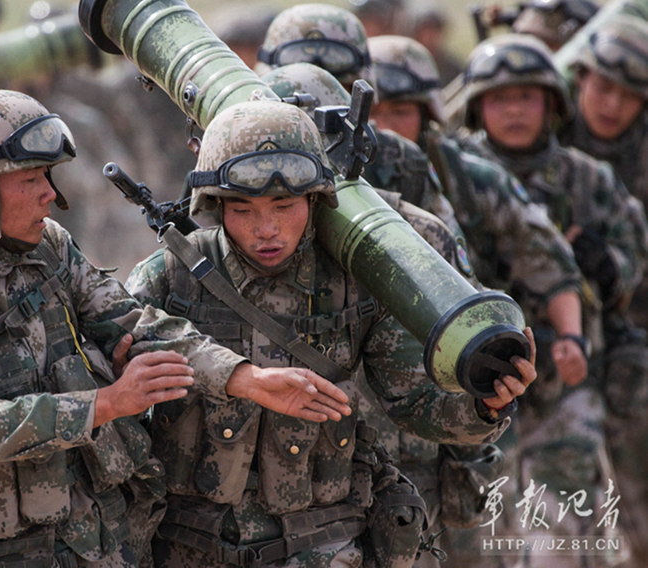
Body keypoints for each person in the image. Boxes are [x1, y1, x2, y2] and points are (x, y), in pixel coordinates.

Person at [0, 88, 352, 567]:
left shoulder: (49, 250)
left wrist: (245, 379)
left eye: (48, 174)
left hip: (98, 539)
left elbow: (136, 323)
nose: (51, 193)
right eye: (30, 178)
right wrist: (109, 402)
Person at [125, 99, 537, 568]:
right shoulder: (172, 274)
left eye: (284, 206)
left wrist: (485, 404)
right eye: (243, 209)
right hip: (187, 543)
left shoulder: (354, 282)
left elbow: (414, 403)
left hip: (321, 543)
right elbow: (125, 345)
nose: (267, 229)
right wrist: (240, 378)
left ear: (316, 200)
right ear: (214, 206)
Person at [367, 33, 590, 567]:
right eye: (376, 111)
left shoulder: (469, 176)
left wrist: (573, 338)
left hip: (485, 368)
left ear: (428, 114)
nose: (387, 128)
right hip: (385, 383)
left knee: (484, 527)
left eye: (402, 110)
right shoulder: (333, 188)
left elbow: (548, 260)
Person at [456, 33, 643, 567]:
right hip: (479, 382)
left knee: (563, 526)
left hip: (568, 379)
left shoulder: (587, 178)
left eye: (527, 98)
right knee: (483, 524)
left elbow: (632, 256)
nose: (514, 111)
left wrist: (603, 264)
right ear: (476, 108)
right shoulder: (459, 177)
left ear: (552, 105)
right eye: (499, 99)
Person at [558, 16, 648, 566]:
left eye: (629, 95)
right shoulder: (547, 135)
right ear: (582, 77)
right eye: (604, 87)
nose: (612, 105)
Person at [254, 2, 462, 240]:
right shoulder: (229, 151)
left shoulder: (400, 159)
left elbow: (446, 260)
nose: (317, 107)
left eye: (335, 89)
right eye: (297, 94)